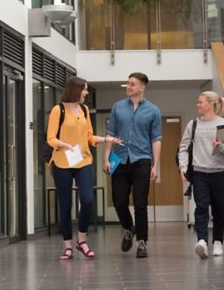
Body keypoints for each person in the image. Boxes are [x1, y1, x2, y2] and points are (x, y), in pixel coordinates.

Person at [47, 76, 122, 260]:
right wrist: (64, 145)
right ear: (76, 90)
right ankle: (67, 246)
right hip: (62, 162)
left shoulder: (84, 109)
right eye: (85, 89)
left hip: (83, 161)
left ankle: (81, 241)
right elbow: (50, 138)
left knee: (88, 200)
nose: (87, 93)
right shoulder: (58, 110)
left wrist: (106, 139)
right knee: (65, 206)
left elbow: (89, 137)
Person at [103, 72, 162, 258]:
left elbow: (156, 139)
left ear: (142, 87)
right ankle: (129, 228)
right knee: (119, 201)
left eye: (132, 84)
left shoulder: (153, 110)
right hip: (119, 159)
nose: (128, 86)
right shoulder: (117, 107)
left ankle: (142, 242)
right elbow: (110, 134)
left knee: (140, 203)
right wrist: (106, 158)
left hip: (142, 160)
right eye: (128, 83)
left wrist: (156, 165)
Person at [178, 91, 224, 259]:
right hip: (199, 172)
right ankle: (202, 241)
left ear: (211, 104)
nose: (197, 105)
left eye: (200, 102)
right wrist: (183, 167)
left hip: (218, 173)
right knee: (201, 207)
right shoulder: (193, 124)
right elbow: (183, 148)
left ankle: (218, 242)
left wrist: (220, 147)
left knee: (220, 210)